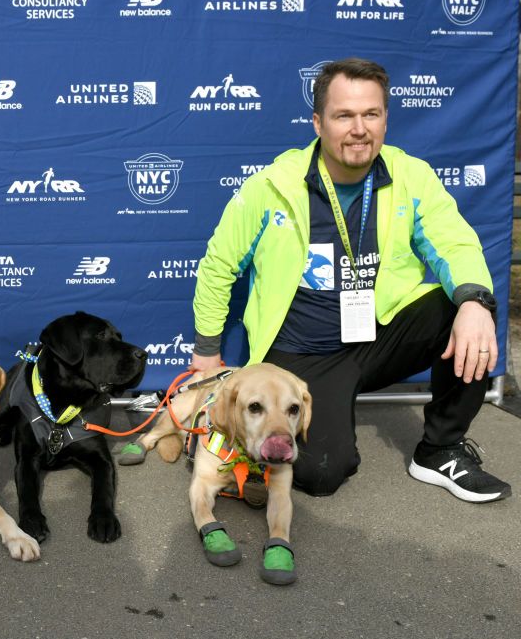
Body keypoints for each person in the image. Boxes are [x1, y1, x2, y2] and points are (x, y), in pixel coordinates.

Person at [191, 57, 509, 503]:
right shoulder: (272, 186)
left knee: (472, 309)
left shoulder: (410, 176)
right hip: (304, 356)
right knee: (322, 475)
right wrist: (207, 352)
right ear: (318, 122)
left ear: (385, 118)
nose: (359, 129)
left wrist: (475, 302)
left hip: (376, 337)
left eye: (370, 114)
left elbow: (455, 245)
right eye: (344, 116)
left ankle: (439, 450)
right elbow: (219, 264)